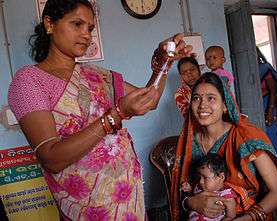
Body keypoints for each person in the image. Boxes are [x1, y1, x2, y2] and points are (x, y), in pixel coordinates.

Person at [7, 0, 192, 220]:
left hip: (127, 199)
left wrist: (163, 61)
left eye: (90, 28)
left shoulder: (97, 75)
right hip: (88, 207)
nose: (86, 34)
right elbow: (51, 158)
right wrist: (115, 115)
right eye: (77, 24)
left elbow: (149, 100)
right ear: (49, 24)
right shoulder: (29, 81)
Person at [171, 73, 277, 221]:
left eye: (211, 98)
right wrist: (191, 202)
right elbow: (182, 190)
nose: (202, 105)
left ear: (225, 106)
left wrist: (244, 219)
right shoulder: (189, 142)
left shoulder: (245, 137)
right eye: (196, 98)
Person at [181, 153, 236, 221]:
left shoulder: (226, 196)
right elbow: (193, 195)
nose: (200, 181)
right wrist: (189, 189)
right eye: (200, 177)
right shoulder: (199, 187)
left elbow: (231, 217)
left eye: (205, 177)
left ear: (221, 177)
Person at [256, 47, 277, 159]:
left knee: (271, 139)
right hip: (259, 107)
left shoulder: (264, 68)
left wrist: (270, 111)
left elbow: (273, 89)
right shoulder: (251, 71)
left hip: (269, 106)